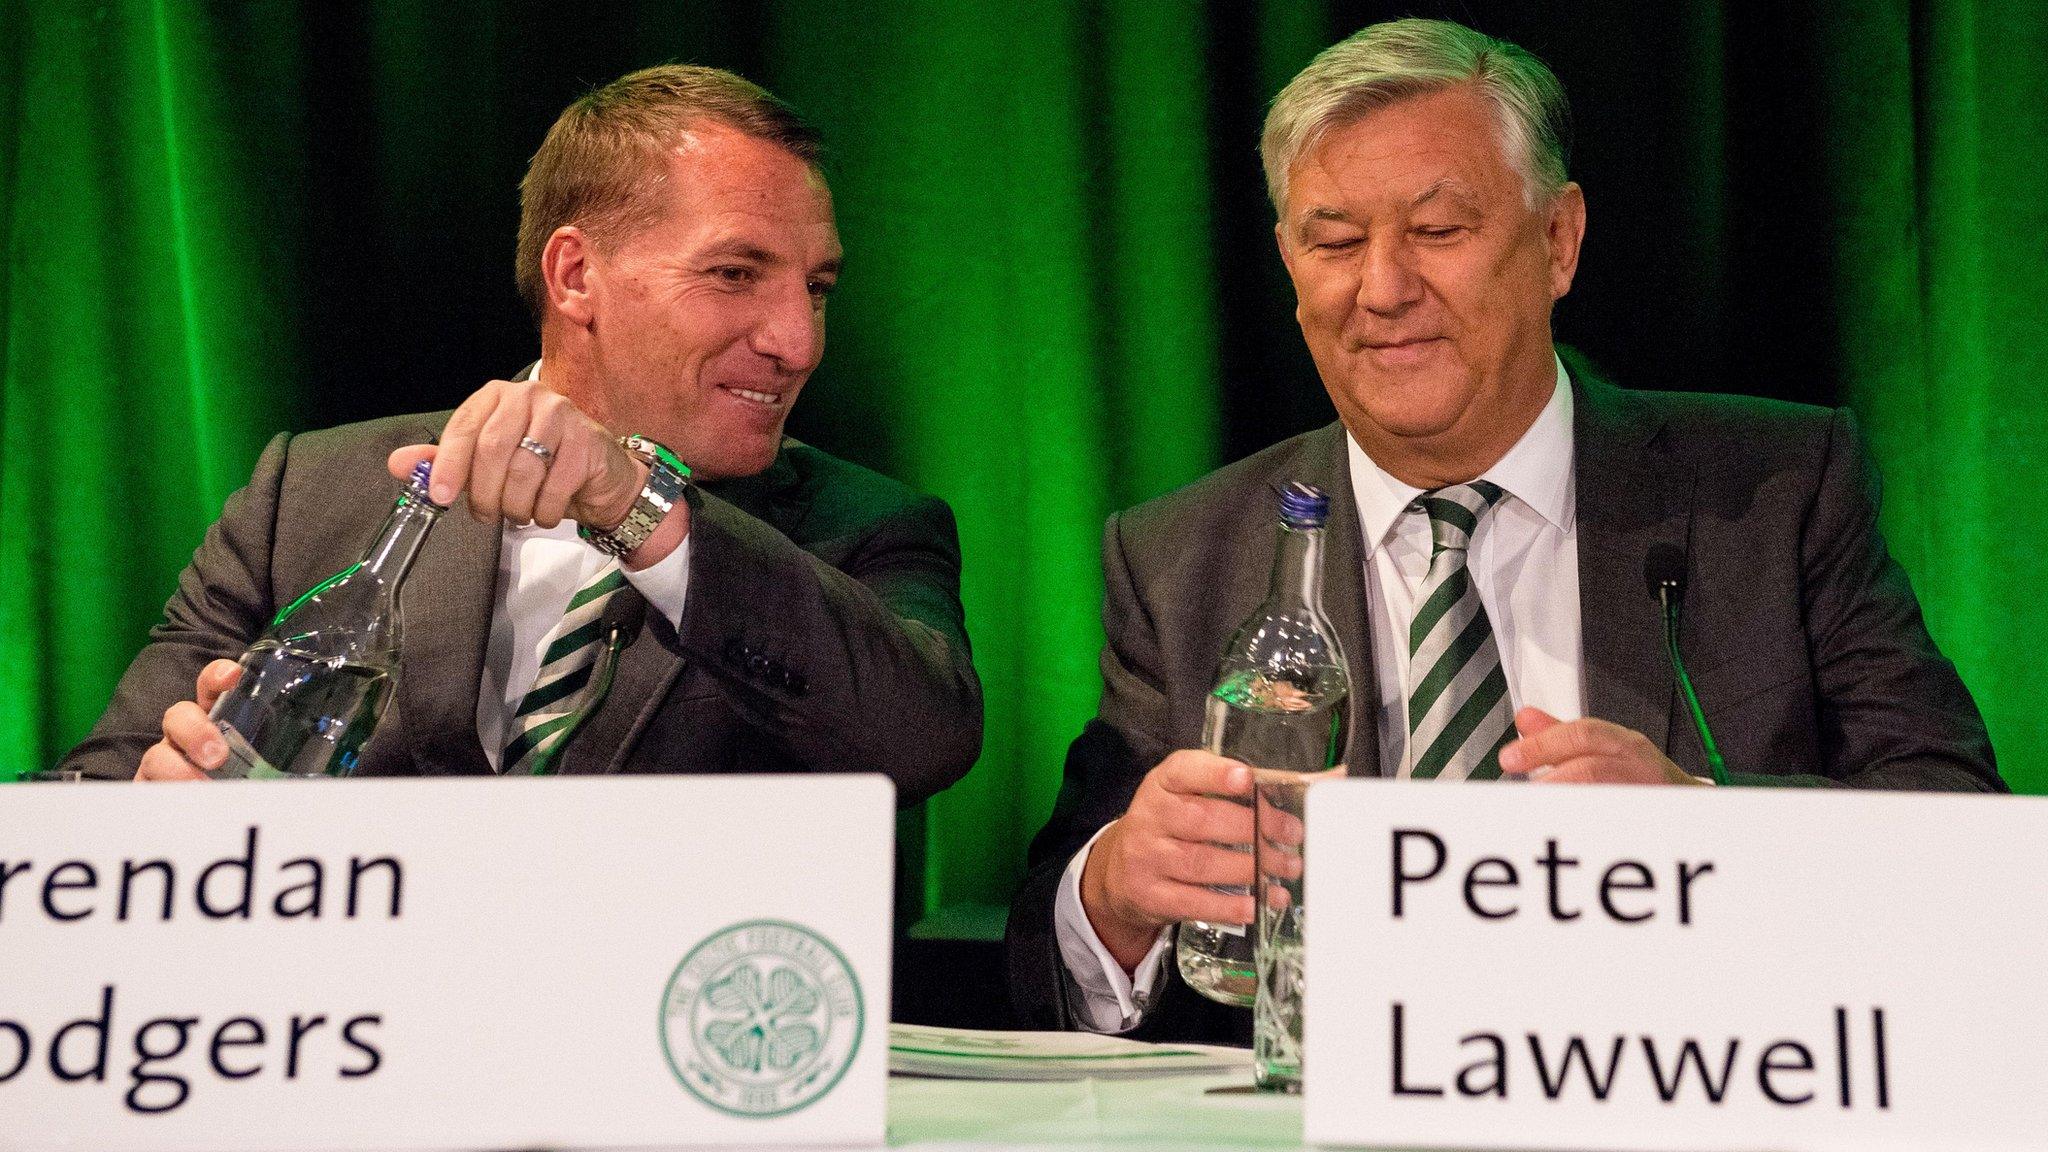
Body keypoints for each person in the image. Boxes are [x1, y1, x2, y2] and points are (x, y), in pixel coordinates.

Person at [1005, 18, 2001, 1043]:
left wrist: (1707, 838)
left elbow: (1964, 839)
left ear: (1556, 241)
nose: (1382, 289)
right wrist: (1118, 892)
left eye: (1437, 232)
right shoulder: (1180, 555)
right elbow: (1043, 956)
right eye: (1335, 241)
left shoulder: (1773, 494)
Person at [63, 66, 982, 800]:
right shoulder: (310, 493)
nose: (797, 341)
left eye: (816, 288)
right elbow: (83, 805)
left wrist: (635, 504)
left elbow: (921, 741)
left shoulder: (867, 529)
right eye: (737, 274)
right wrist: (160, 812)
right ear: (576, 275)